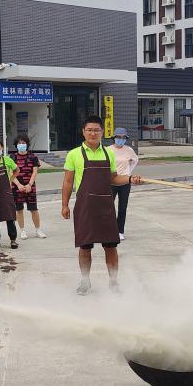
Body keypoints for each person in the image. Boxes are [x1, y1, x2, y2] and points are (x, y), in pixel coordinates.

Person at [61, 116, 143, 295]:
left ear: (102, 133)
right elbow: (68, 182)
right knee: (84, 246)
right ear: (83, 132)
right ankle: (85, 281)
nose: (93, 133)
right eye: (89, 130)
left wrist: (130, 178)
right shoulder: (74, 154)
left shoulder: (108, 154)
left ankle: (113, 282)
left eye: (96, 130)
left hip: (105, 205)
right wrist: (64, 205)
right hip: (85, 207)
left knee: (111, 246)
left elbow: (114, 178)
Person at [11, 134, 46, 240]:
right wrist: (18, 185)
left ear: (27, 144)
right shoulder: (12, 157)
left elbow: (35, 172)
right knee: (19, 209)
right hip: (17, 186)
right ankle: (22, 231)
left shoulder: (33, 157)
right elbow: (10, 173)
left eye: (23, 143)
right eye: (19, 143)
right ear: (16, 145)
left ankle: (38, 230)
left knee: (34, 209)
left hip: (30, 186)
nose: (21, 145)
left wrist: (29, 185)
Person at [107, 127, 139, 241]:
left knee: (122, 207)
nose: (121, 139)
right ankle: (109, 230)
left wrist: (128, 172)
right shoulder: (108, 150)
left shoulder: (129, 150)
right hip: (112, 181)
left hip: (125, 182)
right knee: (108, 207)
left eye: (123, 137)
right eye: (119, 137)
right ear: (114, 138)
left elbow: (135, 160)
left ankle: (120, 231)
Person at [0, 139, 19, 250]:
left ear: (2, 148)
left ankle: (13, 239)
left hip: (6, 193)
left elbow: (17, 170)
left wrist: (11, 180)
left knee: (9, 217)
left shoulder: (7, 160)